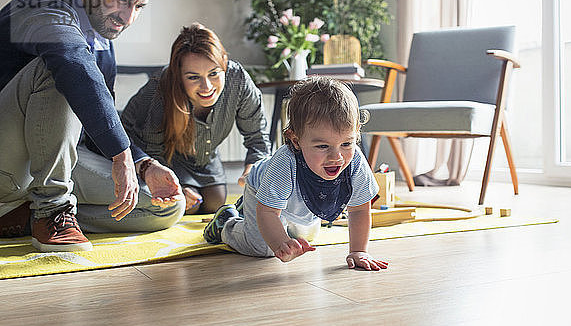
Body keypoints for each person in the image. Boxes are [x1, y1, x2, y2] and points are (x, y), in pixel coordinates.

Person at [0, 0, 156, 251]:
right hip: (7, 163)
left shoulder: (103, 43)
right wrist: (119, 154)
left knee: (162, 206)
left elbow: (95, 124)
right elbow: (70, 58)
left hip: (48, 164)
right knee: (60, 65)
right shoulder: (40, 3)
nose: (129, 17)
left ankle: (22, 215)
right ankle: (51, 210)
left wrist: (142, 164)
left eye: (139, 6)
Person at [203, 77, 389, 270]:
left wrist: (359, 251)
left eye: (346, 144)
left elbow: (359, 209)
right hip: (262, 190)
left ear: (356, 133)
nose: (336, 156)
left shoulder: (355, 162)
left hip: (296, 202)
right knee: (263, 248)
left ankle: (252, 212)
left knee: (305, 238)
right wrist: (280, 243)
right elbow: (267, 212)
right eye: (323, 146)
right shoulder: (285, 163)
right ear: (296, 140)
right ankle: (226, 222)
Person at [102, 23, 271, 219]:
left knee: (215, 203)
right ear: (179, 76)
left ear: (224, 63)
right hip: (156, 153)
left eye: (214, 73)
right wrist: (177, 186)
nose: (206, 86)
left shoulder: (238, 79)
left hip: (204, 155)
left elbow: (258, 137)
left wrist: (252, 170)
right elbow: (150, 149)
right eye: (193, 77)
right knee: (184, 205)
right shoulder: (160, 89)